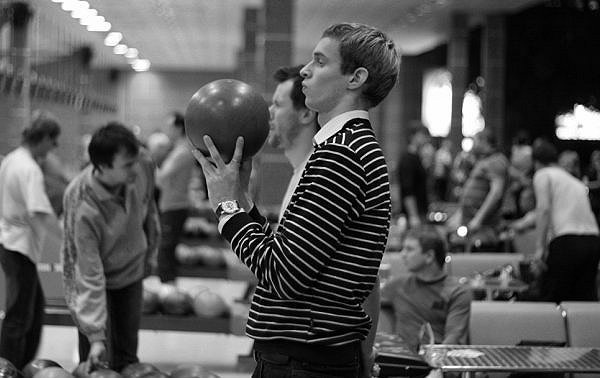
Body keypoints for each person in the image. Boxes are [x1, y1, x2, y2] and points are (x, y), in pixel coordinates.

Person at [193, 22, 399, 378]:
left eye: (320, 61)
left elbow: (283, 275)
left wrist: (226, 209)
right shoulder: (346, 148)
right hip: (308, 357)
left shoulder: (342, 155)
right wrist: (243, 202)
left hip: (304, 361)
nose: (305, 70)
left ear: (355, 78)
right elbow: (293, 257)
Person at [62, 122, 160, 371]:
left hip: (131, 271)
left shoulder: (142, 165)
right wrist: (96, 336)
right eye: (127, 165)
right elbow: (88, 272)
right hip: (97, 276)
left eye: (134, 161)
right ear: (103, 166)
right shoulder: (81, 202)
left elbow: (149, 209)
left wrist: (151, 254)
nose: (134, 169)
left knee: (127, 357)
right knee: (96, 363)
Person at [0, 111, 63, 369]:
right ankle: (9, 368)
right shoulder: (29, 168)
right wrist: (66, 241)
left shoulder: (12, 159)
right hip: (19, 246)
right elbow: (40, 214)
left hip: (10, 240)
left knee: (34, 311)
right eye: (53, 142)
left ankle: (21, 365)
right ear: (44, 137)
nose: (53, 148)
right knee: (19, 316)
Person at [531, 140, 600, 302]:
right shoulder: (574, 181)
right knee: (583, 300)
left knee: (553, 300)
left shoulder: (543, 174)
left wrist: (540, 249)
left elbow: (543, 209)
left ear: (536, 162)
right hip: (593, 241)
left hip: (567, 241)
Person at [381, 226, 471, 351]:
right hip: (402, 358)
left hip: (437, 358)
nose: (402, 254)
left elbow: (453, 340)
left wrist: (436, 361)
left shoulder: (457, 292)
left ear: (429, 256)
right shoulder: (396, 285)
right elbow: (365, 300)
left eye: (409, 249)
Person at [267, 65, 319, 222]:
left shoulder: (316, 179)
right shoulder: (302, 172)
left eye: (278, 104)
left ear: (306, 114)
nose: (269, 112)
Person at [451, 128, 509, 248]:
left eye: (475, 141)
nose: (473, 145)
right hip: (470, 222)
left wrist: (478, 219)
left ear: (484, 141)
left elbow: (496, 193)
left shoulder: (496, 160)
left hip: (484, 226)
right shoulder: (484, 161)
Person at [156, 112, 195, 285]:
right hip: (172, 205)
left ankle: (169, 291)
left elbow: (161, 177)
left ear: (179, 128)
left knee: (165, 251)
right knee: (167, 251)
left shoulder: (182, 152)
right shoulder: (179, 150)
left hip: (174, 206)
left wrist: (150, 164)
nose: (167, 131)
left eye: (169, 127)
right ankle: (170, 289)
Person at [396, 121, 431, 228]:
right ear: (412, 136)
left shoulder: (417, 157)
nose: (426, 138)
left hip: (421, 210)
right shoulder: (407, 159)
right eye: (422, 135)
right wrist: (413, 215)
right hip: (413, 213)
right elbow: (407, 189)